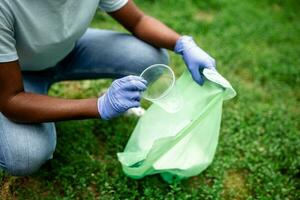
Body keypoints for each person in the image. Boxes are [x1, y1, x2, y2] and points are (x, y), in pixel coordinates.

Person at [0, 0, 216, 176]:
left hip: (70, 50)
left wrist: (182, 43)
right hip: (17, 74)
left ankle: (123, 97)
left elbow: (138, 20)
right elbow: (12, 100)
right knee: (24, 155)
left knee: (150, 58)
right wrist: (99, 106)